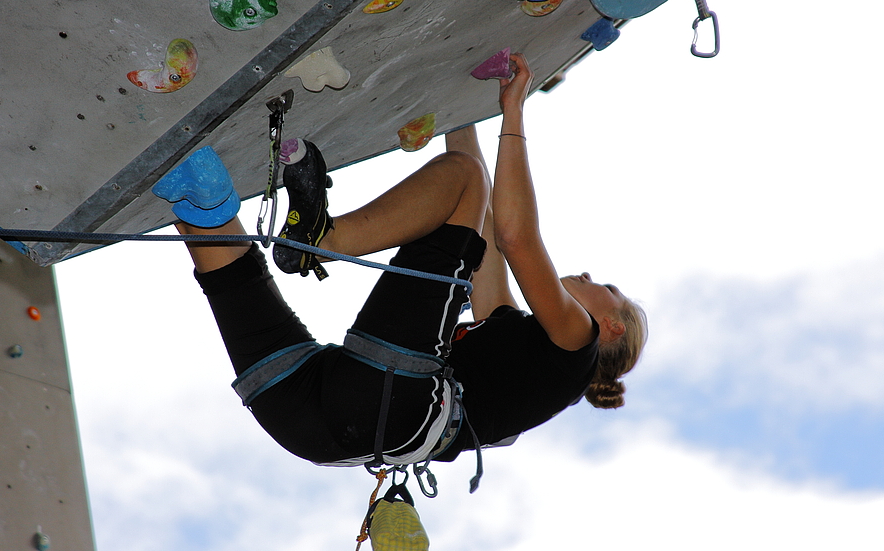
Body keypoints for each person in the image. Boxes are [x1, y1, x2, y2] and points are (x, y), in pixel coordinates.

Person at [157, 53, 647, 474]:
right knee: (222, 246)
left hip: (393, 403)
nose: (586, 276)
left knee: (464, 177)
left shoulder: (578, 340)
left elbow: (514, 237)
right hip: (307, 422)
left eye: (606, 286)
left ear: (610, 328)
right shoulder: (517, 340)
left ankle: (324, 237)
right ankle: (196, 197)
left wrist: (514, 114)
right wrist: (465, 111)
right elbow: (485, 232)